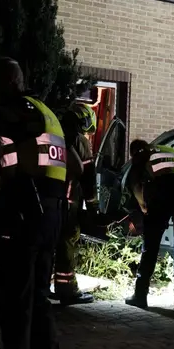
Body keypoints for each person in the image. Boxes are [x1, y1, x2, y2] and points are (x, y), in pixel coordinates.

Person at [0, 57, 82, 349]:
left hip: (24, 211)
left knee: (15, 302)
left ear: (8, 82)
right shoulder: (47, 112)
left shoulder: (11, 112)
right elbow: (74, 165)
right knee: (39, 299)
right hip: (51, 214)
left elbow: (4, 166)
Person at [125, 139, 174, 309]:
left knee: (150, 246)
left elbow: (133, 184)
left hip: (162, 198)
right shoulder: (172, 152)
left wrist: (143, 206)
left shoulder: (142, 155)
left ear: (134, 152)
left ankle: (140, 295)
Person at [52, 101, 98, 305]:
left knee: (47, 243)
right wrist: (93, 204)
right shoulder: (79, 140)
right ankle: (67, 290)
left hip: (48, 198)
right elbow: (87, 175)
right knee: (67, 243)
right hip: (69, 201)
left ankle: (41, 288)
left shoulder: (53, 134)